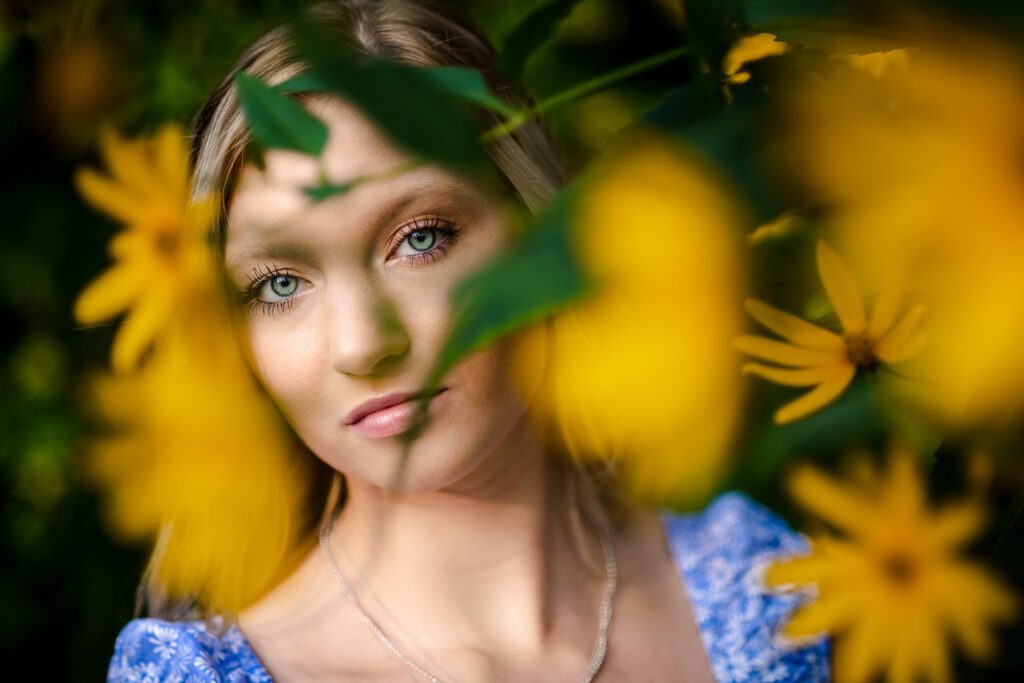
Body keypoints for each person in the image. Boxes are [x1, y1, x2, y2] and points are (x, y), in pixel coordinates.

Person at [106, 0, 831, 680]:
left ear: (537, 228)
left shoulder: (765, 587)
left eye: (419, 238)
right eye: (279, 284)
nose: (362, 346)